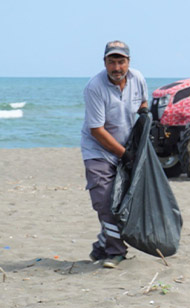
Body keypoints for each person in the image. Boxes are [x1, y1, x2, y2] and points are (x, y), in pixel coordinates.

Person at [80, 40, 148, 268]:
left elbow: (143, 104)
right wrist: (125, 155)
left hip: (125, 148)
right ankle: (116, 252)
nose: (117, 67)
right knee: (105, 202)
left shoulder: (137, 78)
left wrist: (147, 117)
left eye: (121, 61)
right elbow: (97, 130)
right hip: (98, 152)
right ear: (104, 62)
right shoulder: (95, 87)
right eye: (112, 62)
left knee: (121, 201)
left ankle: (102, 245)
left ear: (129, 62)